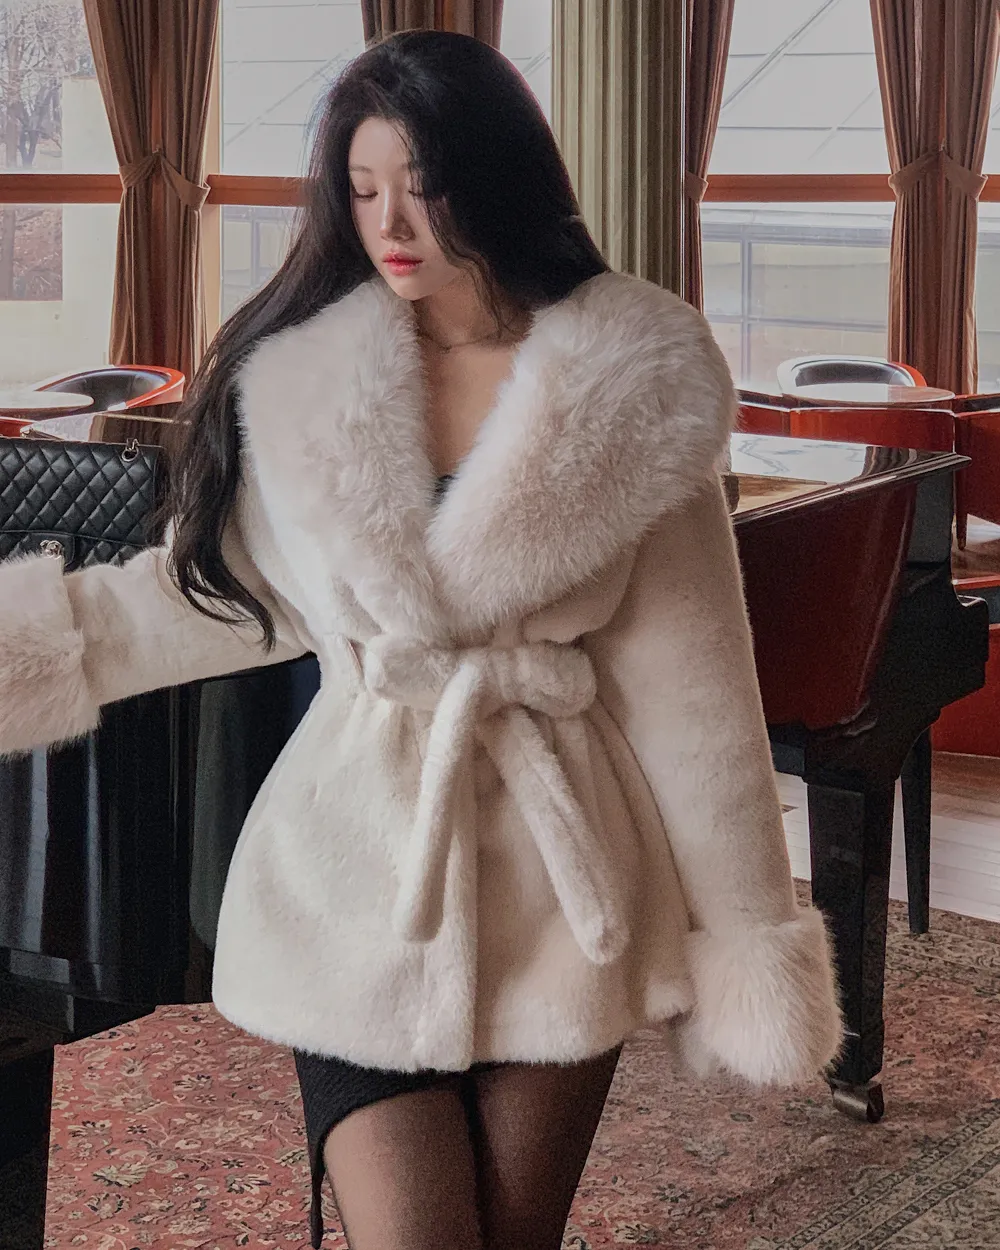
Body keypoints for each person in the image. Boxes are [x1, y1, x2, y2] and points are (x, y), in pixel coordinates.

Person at [0, 30, 842, 1250]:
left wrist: (744, 935)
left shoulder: (633, 385)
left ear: (494, 177)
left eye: (422, 185)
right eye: (362, 188)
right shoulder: (305, 387)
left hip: (566, 890)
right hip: (355, 880)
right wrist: (27, 647)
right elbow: (204, 597)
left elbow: (696, 699)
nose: (389, 222)